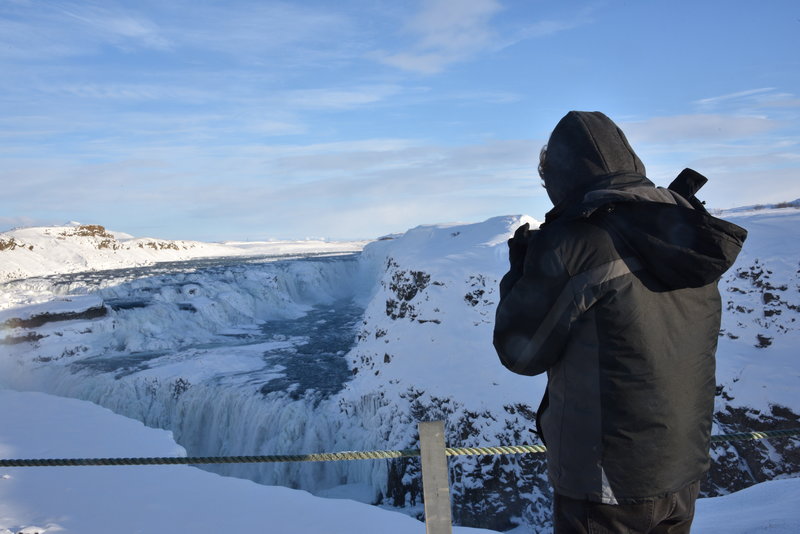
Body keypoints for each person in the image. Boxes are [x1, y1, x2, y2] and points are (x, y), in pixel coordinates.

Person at [493, 111, 747, 533]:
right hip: (681, 466)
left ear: (559, 178)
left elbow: (520, 353)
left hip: (605, 477)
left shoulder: (576, 241)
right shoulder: (683, 226)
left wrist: (521, 273)